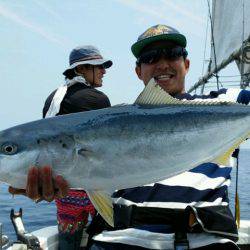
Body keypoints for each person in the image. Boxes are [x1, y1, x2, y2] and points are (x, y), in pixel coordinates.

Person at [10, 25, 250, 249]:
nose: (162, 64)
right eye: (150, 58)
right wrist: (61, 187)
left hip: (203, 242)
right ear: (138, 71)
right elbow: (93, 182)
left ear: (186, 63)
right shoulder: (115, 119)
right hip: (119, 240)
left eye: (173, 54)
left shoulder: (225, 102)